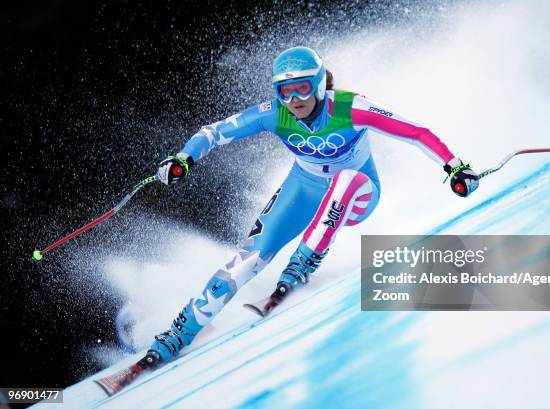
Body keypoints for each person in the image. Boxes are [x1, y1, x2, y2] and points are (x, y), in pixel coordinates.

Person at [148, 46, 479, 366]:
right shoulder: (275, 114)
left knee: (344, 180)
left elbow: (415, 132)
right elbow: (216, 132)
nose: (294, 100)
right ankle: (177, 334)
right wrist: (184, 159)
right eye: (284, 91)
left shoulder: (350, 108)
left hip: (357, 193)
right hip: (304, 191)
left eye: (302, 89)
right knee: (247, 259)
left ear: (320, 84)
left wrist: (454, 166)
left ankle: (301, 267)